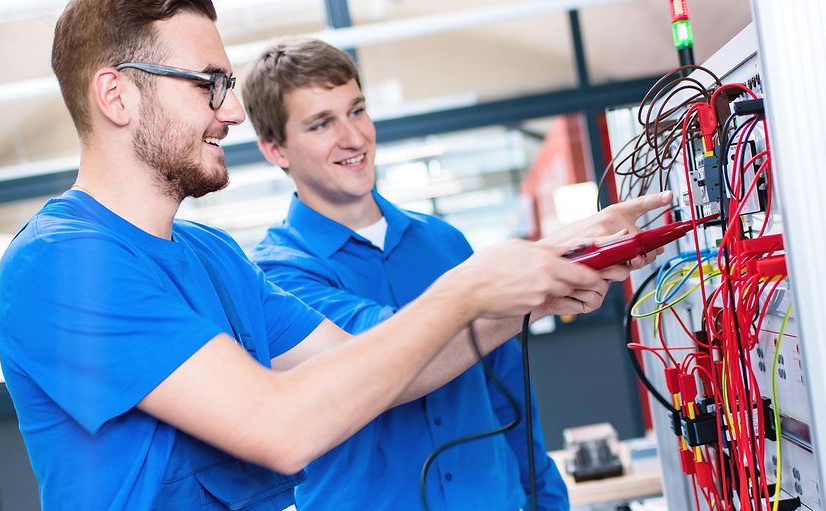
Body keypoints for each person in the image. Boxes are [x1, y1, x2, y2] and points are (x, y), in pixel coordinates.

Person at [0, 0, 662, 511]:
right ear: (116, 95)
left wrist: (548, 270)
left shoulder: (213, 257)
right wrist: (471, 285)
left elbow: (389, 368)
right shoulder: (60, 262)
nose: (228, 111)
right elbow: (280, 426)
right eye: (209, 85)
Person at [243, 39, 672, 510]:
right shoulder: (275, 274)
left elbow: (510, 394)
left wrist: (547, 501)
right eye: (322, 123)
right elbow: (383, 350)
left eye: (357, 110)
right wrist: (529, 280)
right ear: (275, 149)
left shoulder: (443, 242)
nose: (354, 137)